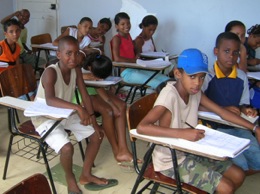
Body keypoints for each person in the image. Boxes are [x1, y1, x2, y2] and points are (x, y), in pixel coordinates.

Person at [136, 48, 260, 193]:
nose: (198, 83)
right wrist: (183, 133)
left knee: (238, 175)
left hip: (190, 150)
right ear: (178, 73)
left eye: (201, 77)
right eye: (193, 77)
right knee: (226, 188)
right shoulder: (169, 95)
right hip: (170, 160)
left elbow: (221, 112)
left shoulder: (194, 92)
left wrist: (254, 128)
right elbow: (142, 127)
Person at [31, 36, 118, 193]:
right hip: (44, 117)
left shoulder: (76, 69)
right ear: (58, 55)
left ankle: (85, 175)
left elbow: (84, 94)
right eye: (68, 53)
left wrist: (92, 119)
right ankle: (70, 179)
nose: (73, 58)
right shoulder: (51, 72)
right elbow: (50, 100)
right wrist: (78, 108)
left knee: (97, 134)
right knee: (67, 148)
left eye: (76, 53)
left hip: (64, 113)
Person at [201, 32, 260, 174]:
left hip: (237, 125)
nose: (231, 56)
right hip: (214, 127)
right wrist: (223, 109)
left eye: (235, 53)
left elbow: (242, 104)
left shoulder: (241, 76)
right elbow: (197, 105)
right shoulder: (207, 77)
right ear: (216, 51)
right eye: (226, 51)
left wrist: (246, 110)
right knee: (241, 165)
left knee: (257, 160)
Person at [73, 53, 136, 166]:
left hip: (94, 90)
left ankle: (123, 148)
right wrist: (82, 76)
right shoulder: (75, 62)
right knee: (108, 111)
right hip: (79, 95)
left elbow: (98, 86)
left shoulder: (94, 60)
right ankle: (116, 150)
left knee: (121, 106)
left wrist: (111, 102)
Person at [111, 12, 169, 90]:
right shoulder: (116, 39)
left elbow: (132, 52)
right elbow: (117, 58)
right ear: (116, 26)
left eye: (128, 23)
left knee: (166, 80)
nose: (126, 26)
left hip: (137, 69)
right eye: (123, 24)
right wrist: (134, 60)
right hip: (127, 73)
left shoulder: (128, 36)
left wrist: (138, 55)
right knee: (158, 84)